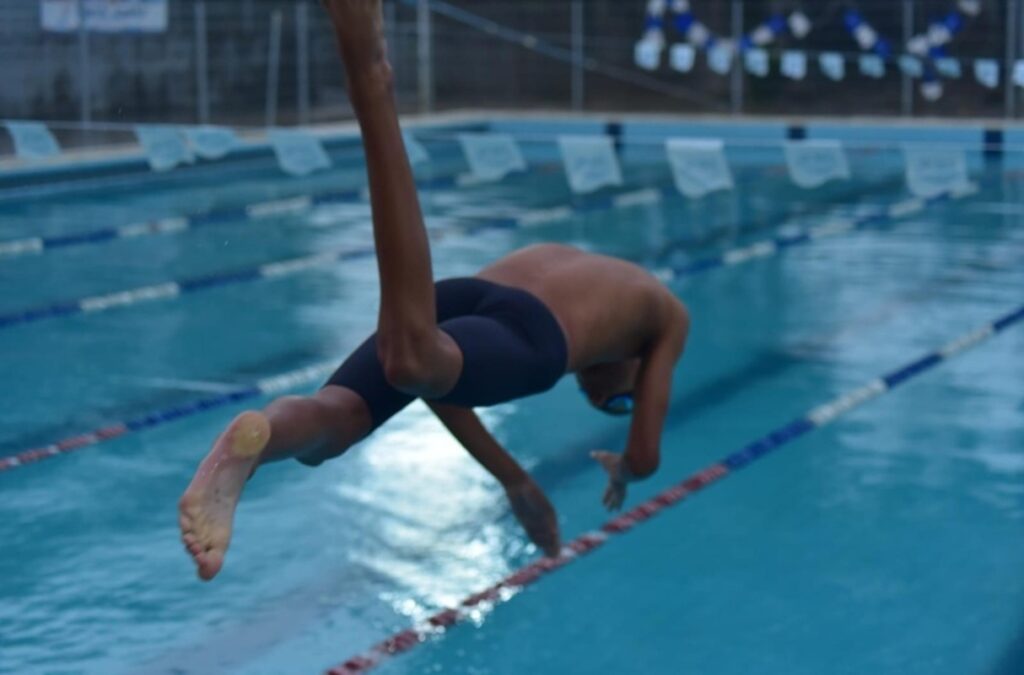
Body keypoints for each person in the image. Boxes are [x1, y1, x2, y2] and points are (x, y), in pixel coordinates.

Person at [179, 0, 690, 582]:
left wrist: (514, 479)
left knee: (333, 425)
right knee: (413, 359)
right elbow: (648, 457)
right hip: (533, 332)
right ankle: (372, 83)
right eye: (619, 402)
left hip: (466, 297)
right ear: (640, 372)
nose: (600, 398)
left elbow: (442, 388)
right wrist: (623, 470)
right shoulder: (668, 318)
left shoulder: (591, 272)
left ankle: (254, 444)